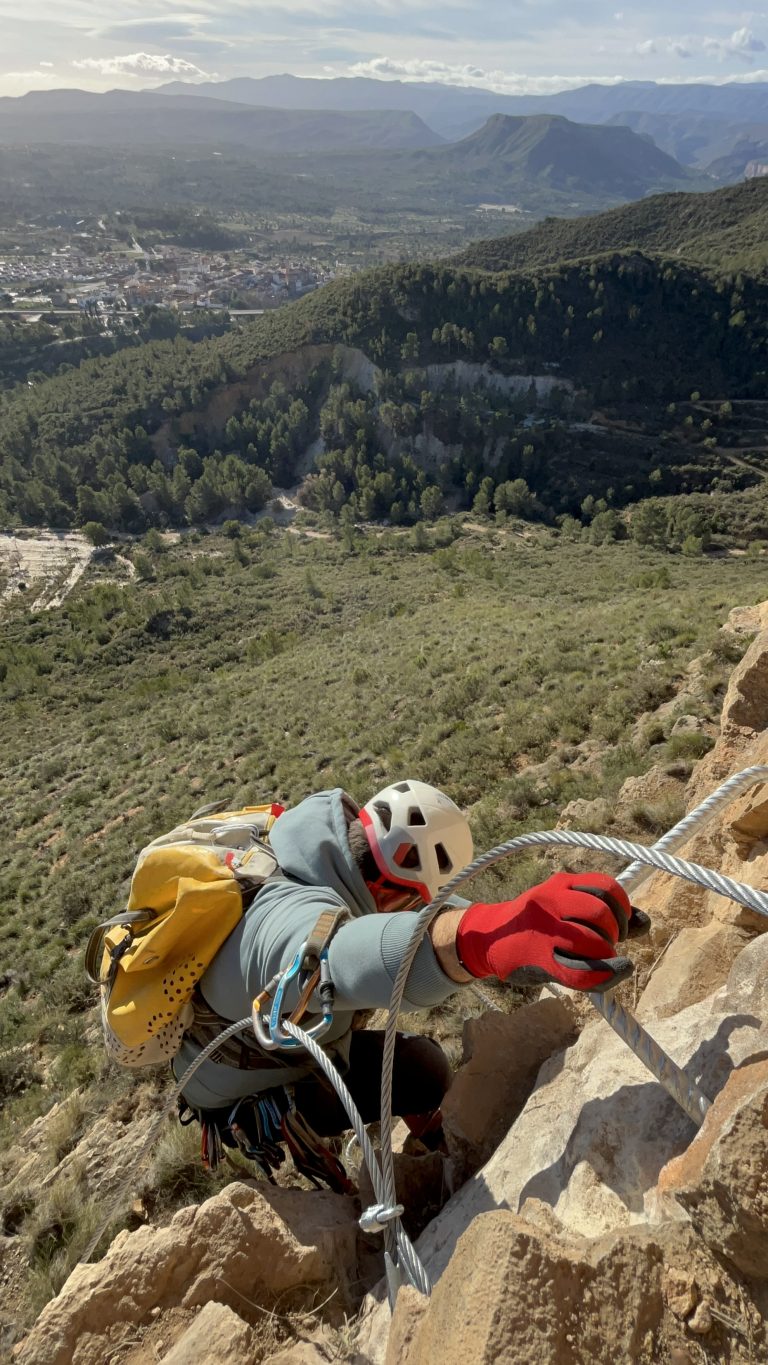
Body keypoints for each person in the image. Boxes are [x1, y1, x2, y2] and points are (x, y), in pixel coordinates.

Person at [175, 780, 649, 1182]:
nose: (411, 913)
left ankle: (429, 1144)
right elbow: (338, 957)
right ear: (385, 889)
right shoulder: (278, 920)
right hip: (247, 1088)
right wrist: (483, 941)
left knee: (415, 1065)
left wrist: (508, 919)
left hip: (280, 1038)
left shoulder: (325, 854)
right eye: (409, 905)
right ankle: (417, 1165)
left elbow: (424, 919)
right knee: (420, 1070)